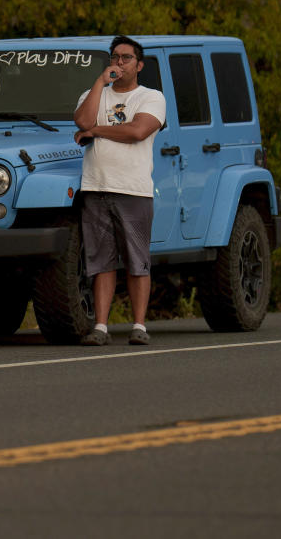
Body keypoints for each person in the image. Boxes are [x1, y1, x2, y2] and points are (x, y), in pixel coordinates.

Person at [73, 35, 167, 346]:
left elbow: (137, 131)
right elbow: (82, 119)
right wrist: (100, 84)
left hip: (133, 190)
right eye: (115, 57)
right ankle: (101, 326)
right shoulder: (93, 94)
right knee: (101, 261)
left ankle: (139, 325)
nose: (119, 63)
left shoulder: (151, 97)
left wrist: (96, 131)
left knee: (137, 260)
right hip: (96, 186)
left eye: (126, 58)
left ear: (139, 65)